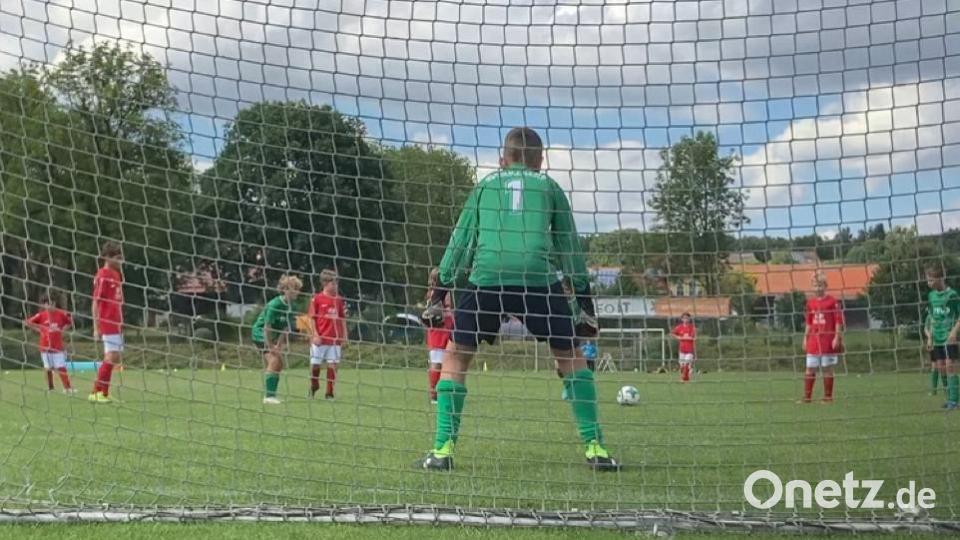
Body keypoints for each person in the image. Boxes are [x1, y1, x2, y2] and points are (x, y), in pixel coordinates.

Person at [418, 127, 619, 471]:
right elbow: (568, 245)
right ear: (540, 161)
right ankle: (595, 448)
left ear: (502, 159)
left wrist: (439, 293)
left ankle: (442, 450)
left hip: (487, 278)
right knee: (571, 357)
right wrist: (584, 302)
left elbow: (461, 241)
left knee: (455, 356)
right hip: (537, 278)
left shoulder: (484, 187)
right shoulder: (550, 188)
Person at [251, 274, 303, 404]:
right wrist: (270, 346)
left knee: (279, 364)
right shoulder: (275, 304)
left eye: (298, 288)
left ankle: (271, 395)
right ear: (285, 289)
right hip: (260, 333)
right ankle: (268, 397)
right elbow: (266, 327)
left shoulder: (293, 307)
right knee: (274, 361)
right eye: (294, 288)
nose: (297, 291)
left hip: (271, 337)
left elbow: (284, 328)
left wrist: (279, 345)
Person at [799, 272, 843, 404]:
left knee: (827, 368)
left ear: (825, 286)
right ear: (812, 287)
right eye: (815, 285)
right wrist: (805, 338)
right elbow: (809, 322)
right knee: (809, 368)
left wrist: (837, 337)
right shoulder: (810, 303)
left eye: (820, 285)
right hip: (814, 340)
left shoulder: (832, 302)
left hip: (827, 340)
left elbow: (838, 321)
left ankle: (828, 397)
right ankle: (807, 398)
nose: (818, 288)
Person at [89, 241, 124, 404]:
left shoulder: (116, 275)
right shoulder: (102, 274)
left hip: (116, 321)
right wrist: (96, 327)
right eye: (117, 258)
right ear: (108, 257)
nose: (120, 261)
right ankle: (96, 391)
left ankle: (103, 392)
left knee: (113, 357)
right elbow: (95, 301)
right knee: (112, 356)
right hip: (106, 320)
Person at [924, 265, 960, 409]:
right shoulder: (931, 296)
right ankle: (949, 397)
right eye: (928, 280)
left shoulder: (952, 295)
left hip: (948, 337)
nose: (929, 283)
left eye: (931, 280)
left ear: (940, 279)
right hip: (937, 337)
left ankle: (954, 400)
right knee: (941, 367)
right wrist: (930, 337)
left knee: (950, 366)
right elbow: (932, 317)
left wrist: (954, 332)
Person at [308, 270, 347, 400]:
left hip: (335, 339)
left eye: (336, 283)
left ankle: (329, 392)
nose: (335, 286)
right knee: (315, 365)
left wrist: (344, 335)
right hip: (320, 338)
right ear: (325, 283)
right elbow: (312, 318)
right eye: (333, 283)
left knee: (333, 364)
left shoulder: (339, 299)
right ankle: (314, 385)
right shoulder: (317, 299)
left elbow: (342, 318)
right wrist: (315, 335)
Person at [25, 293, 74, 393]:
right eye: (47, 304)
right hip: (45, 346)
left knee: (61, 366)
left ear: (55, 303)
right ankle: (50, 388)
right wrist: (39, 330)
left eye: (52, 303)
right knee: (48, 367)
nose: (50, 306)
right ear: (44, 305)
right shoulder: (41, 315)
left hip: (57, 346)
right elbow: (27, 322)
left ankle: (67, 388)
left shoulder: (60, 314)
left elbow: (69, 322)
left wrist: (62, 330)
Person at [425, 268, 453, 404]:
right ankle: (434, 392)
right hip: (439, 330)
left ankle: (440, 390)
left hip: (442, 329)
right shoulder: (437, 294)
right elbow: (443, 310)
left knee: (443, 361)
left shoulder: (433, 293)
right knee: (437, 362)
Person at [672, 312, 696, 383]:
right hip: (682, 349)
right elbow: (673, 333)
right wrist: (679, 337)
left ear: (689, 319)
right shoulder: (679, 327)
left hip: (689, 350)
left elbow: (693, 337)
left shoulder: (692, 327)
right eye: (684, 318)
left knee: (686, 364)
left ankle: (685, 379)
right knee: (682, 365)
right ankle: (685, 376)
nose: (685, 319)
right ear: (682, 319)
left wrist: (688, 337)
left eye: (687, 318)